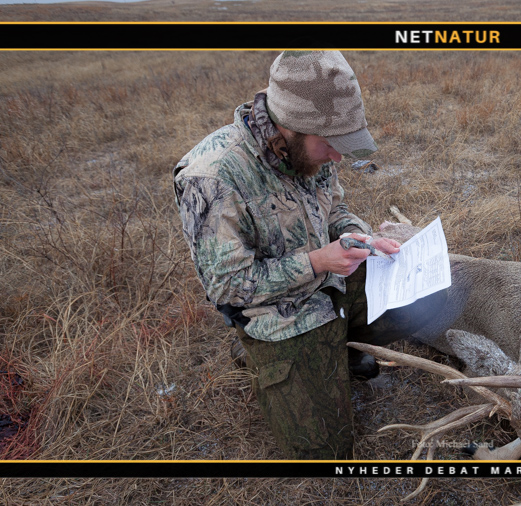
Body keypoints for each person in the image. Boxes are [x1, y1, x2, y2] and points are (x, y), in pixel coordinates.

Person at [172, 51, 446, 459]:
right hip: (274, 312)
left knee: (428, 297)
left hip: (332, 279)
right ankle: (257, 356)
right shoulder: (212, 175)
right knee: (325, 452)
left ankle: (335, 350)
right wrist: (318, 262)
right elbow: (227, 286)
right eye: (331, 146)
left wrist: (358, 236)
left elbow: (333, 208)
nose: (337, 158)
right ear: (291, 127)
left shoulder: (309, 146)